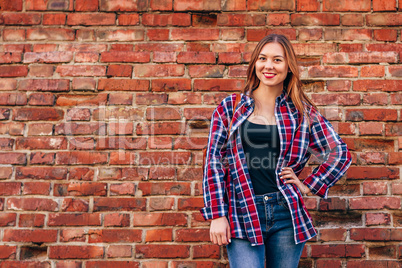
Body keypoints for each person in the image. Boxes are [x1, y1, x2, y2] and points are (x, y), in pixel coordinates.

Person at [200, 34, 352, 268]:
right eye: (262, 58)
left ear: (289, 67)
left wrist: (308, 184)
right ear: (255, 64)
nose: (268, 66)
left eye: (277, 60)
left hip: (285, 213)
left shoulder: (302, 113)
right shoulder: (230, 108)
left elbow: (339, 153)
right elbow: (213, 162)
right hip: (242, 210)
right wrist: (218, 215)